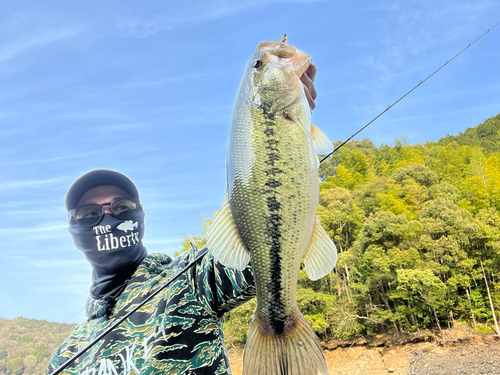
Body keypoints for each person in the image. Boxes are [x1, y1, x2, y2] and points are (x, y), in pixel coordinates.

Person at [46, 65, 317, 375]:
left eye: (122, 207)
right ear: (73, 230)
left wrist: (280, 133)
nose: (108, 218)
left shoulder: (191, 279)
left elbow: (264, 247)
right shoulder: (64, 357)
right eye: (90, 215)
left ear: (140, 215)